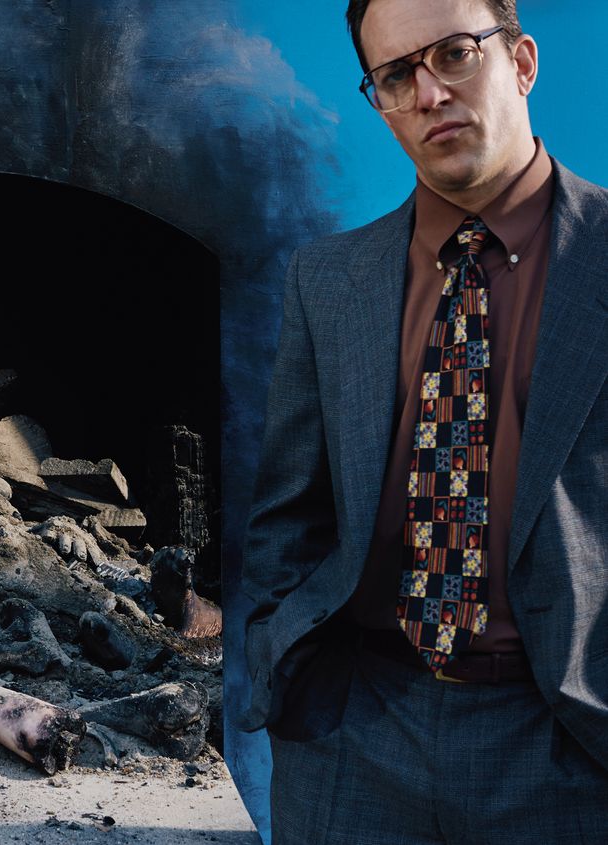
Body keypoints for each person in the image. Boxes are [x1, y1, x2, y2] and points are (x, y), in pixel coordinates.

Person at [239, 0, 608, 841]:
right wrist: (281, 661)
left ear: (521, 62)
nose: (430, 91)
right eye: (397, 75)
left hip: (571, 750)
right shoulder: (327, 280)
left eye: (454, 53)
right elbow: (287, 518)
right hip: (355, 744)